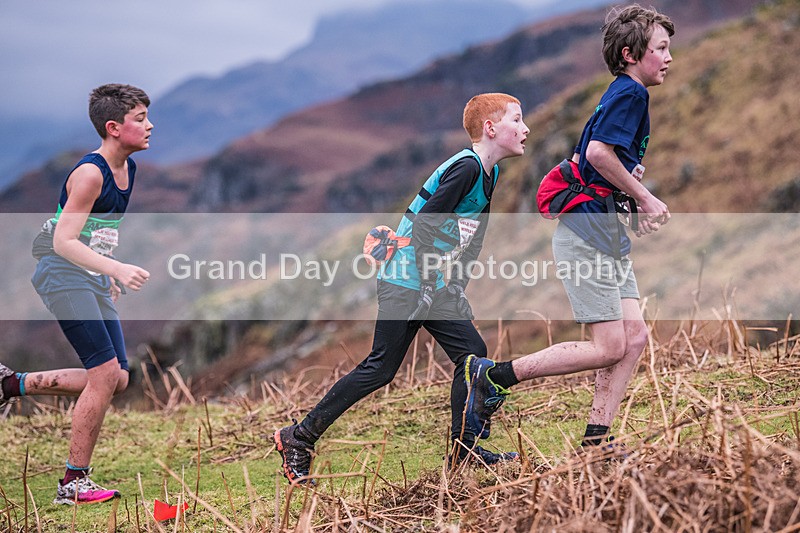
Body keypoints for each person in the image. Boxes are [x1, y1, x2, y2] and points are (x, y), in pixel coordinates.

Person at [275, 93, 530, 483]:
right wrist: (430, 283)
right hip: (404, 279)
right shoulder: (466, 168)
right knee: (381, 368)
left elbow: (473, 235)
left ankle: (464, 453)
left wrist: (455, 284)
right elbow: (427, 223)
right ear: (490, 129)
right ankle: (298, 437)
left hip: (430, 281)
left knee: (472, 355)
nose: (525, 128)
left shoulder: (490, 173)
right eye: (517, 119)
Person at [463, 5, 673, 451]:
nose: (669, 56)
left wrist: (629, 192)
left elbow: (596, 165)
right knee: (610, 345)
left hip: (602, 233)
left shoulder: (624, 92)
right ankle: (493, 377)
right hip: (584, 238)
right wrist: (646, 197)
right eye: (661, 48)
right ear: (631, 53)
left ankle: (597, 438)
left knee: (634, 337)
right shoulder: (631, 95)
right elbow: (597, 153)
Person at [0, 84, 152, 504]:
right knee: (103, 375)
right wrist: (116, 268)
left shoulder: (128, 169)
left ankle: (11, 385)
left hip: (87, 275)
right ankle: (72, 483)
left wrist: (104, 273)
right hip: (62, 273)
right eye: (140, 119)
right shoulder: (89, 174)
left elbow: (96, 233)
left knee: (118, 378)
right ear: (113, 127)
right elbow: (64, 241)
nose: (149, 125)